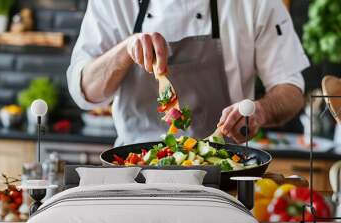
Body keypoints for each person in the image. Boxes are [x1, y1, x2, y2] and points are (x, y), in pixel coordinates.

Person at [67, 0, 310, 146]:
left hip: (223, 172)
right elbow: (85, 91)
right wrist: (124, 51)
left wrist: (260, 112)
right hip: (134, 170)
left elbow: (290, 89)